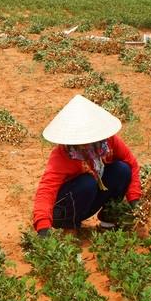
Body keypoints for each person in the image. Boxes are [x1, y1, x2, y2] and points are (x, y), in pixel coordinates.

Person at [33, 95, 141, 232]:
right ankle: (68, 225)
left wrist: (135, 201)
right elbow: (47, 190)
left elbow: (132, 164)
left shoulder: (109, 142)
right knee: (87, 182)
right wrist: (43, 226)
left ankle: (109, 218)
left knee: (122, 170)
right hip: (67, 206)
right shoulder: (62, 155)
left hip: (90, 199)